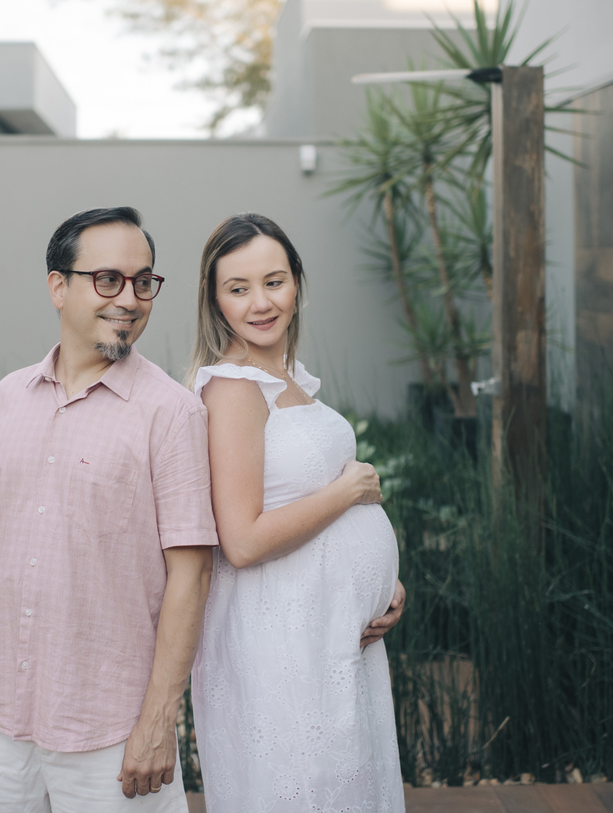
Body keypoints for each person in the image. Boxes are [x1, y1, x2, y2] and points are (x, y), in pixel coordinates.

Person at [0, 207, 217, 813]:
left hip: (110, 729)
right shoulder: (9, 396)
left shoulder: (172, 413)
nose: (130, 299)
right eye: (108, 279)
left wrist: (159, 718)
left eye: (143, 282)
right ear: (58, 286)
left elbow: (191, 574)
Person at [187, 213, 407, 813]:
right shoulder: (234, 389)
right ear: (214, 299)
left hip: (326, 631)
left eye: (274, 281)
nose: (260, 303)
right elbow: (242, 541)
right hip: (279, 639)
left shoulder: (287, 378)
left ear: (297, 282)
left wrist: (383, 586)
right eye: (238, 288)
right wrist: (349, 491)